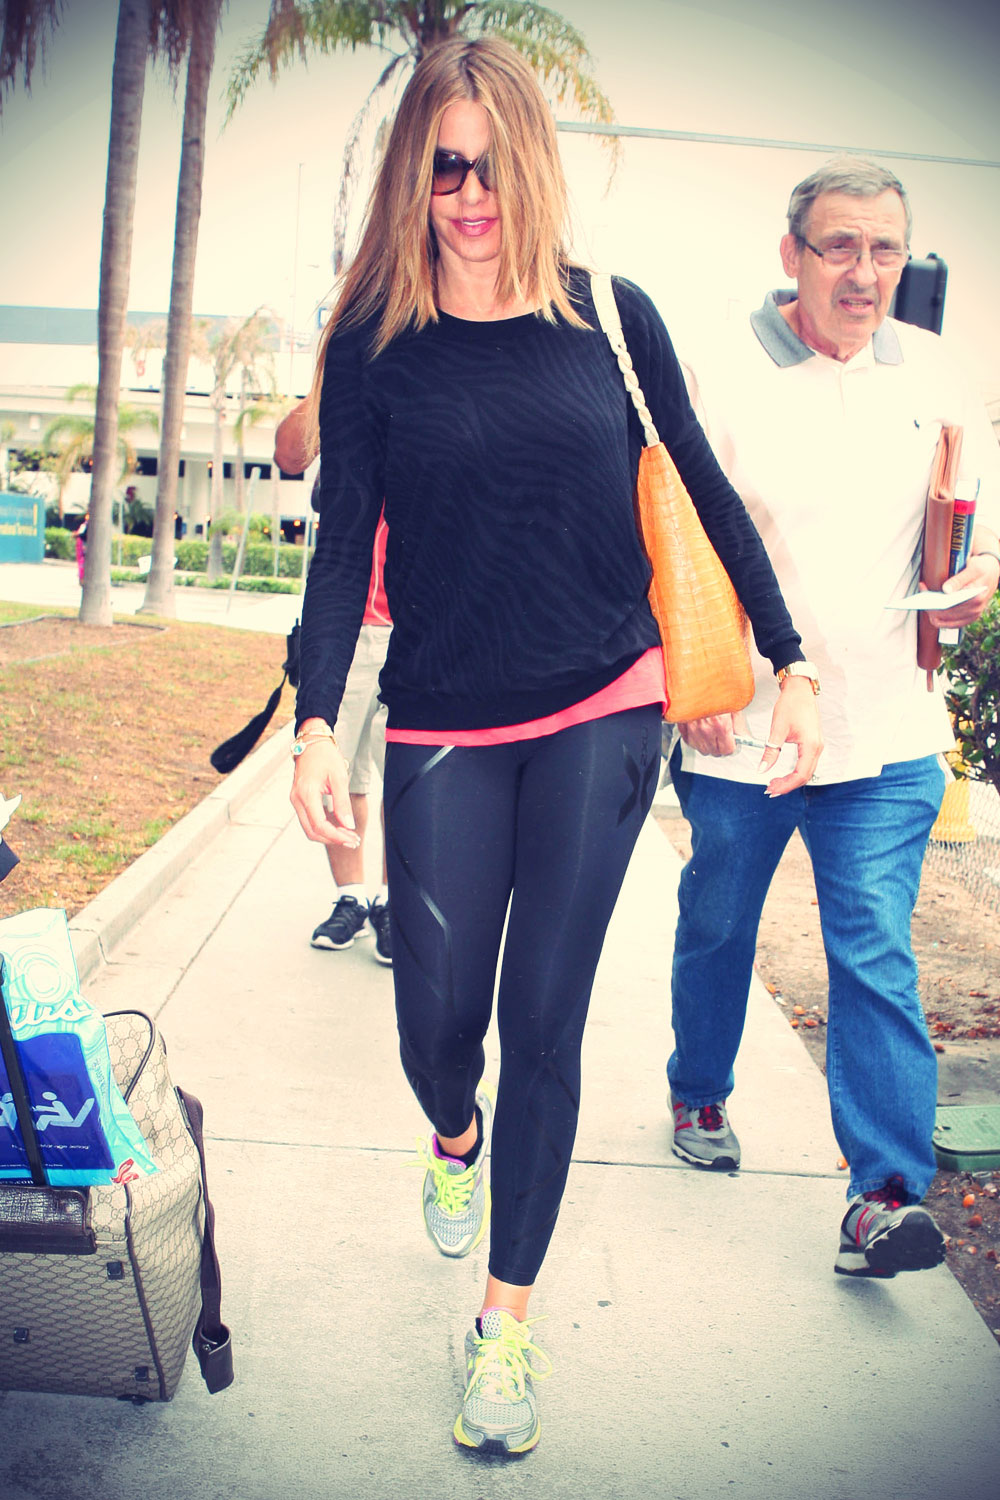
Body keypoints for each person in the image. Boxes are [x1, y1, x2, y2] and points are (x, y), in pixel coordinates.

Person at [289, 36, 820, 1454]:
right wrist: (311, 726)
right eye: (440, 167)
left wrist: (791, 658)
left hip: (605, 700)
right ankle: (451, 1136)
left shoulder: (613, 319)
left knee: (545, 1024)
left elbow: (698, 485)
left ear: (530, 163)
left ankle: (503, 1327)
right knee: (436, 1021)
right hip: (447, 717)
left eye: (487, 164)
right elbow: (343, 551)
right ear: (418, 174)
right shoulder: (376, 349)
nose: (466, 195)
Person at [666, 157, 1000, 1281]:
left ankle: (884, 1197)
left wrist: (975, 581)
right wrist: (694, 680)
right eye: (839, 247)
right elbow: (670, 539)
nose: (864, 272)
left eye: (885, 248)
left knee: (873, 955)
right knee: (718, 924)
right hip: (746, 726)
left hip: (887, 732)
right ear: (791, 258)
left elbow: (975, 536)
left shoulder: (942, 375)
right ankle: (697, 1090)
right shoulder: (720, 373)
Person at [273, 403, 393, 964]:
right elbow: (288, 454)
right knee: (344, 775)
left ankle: (394, 904)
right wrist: (336, 373)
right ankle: (353, 898)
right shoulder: (352, 382)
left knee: (411, 780)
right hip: (348, 628)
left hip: (422, 628)